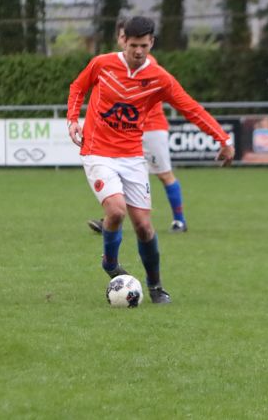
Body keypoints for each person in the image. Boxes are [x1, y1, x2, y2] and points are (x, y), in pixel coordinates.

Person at [68, 16, 234, 303]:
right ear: (123, 41)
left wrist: (222, 138)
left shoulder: (159, 78)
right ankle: (110, 263)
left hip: (132, 156)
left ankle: (155, 286)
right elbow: (78, 87)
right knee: (116, 211)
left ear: (152, 43)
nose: (138, 51)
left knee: (144, 227)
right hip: (98, 151)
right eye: (133, 45)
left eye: (144, 46)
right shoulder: (102, 64)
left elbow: (191, 108)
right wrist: (73, 119)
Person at [87, 20, 189, 234]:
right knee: (118, 173)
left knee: (164, 174)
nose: (134, 47)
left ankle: (179, 220)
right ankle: (111, 218)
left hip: (151, 128)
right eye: (124, 37)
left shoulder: (145, 63)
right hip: (125, 133)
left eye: (141, 44)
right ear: (122, 39)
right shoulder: (114, 64)